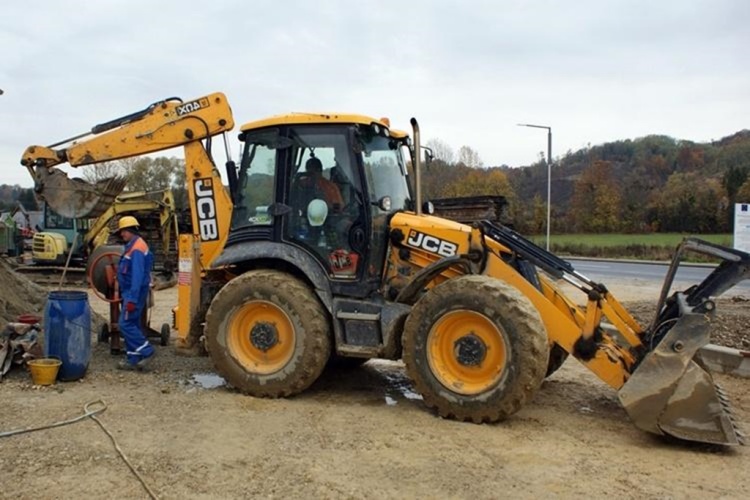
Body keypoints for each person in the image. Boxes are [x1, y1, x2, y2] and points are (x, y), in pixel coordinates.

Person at [115, 216, 155, 371]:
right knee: (132, 323)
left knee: (124, 324)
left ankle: (147, 351)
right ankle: (133, 358)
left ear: (131, 230)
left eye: (124, 231)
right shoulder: (133, 245)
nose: (122, 234)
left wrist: (131, 299)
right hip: (131, 292)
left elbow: (137, 276)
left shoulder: (137, 248)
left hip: (134, 293)